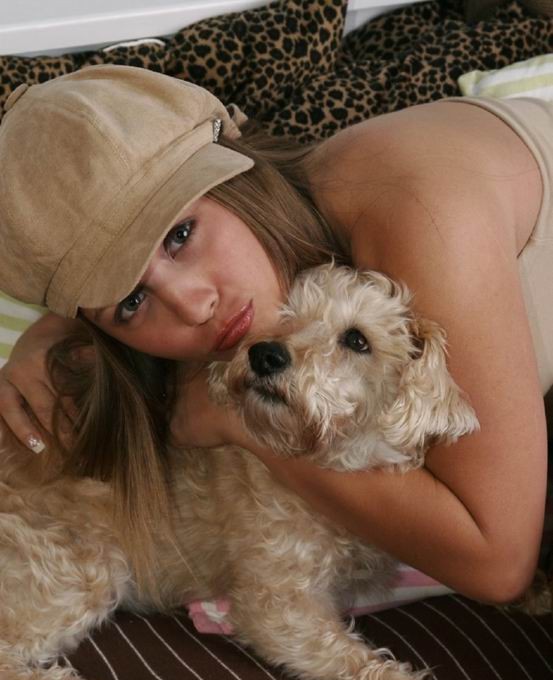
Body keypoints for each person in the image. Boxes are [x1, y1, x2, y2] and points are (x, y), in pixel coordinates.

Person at [0, 64, 549, 605]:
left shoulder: (418, 214)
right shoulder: (269, 291)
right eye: (131, 302)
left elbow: (498, 564)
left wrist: (237, 422)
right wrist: (54, 335)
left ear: (233, 173)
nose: (194, 307)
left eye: (181, 235)